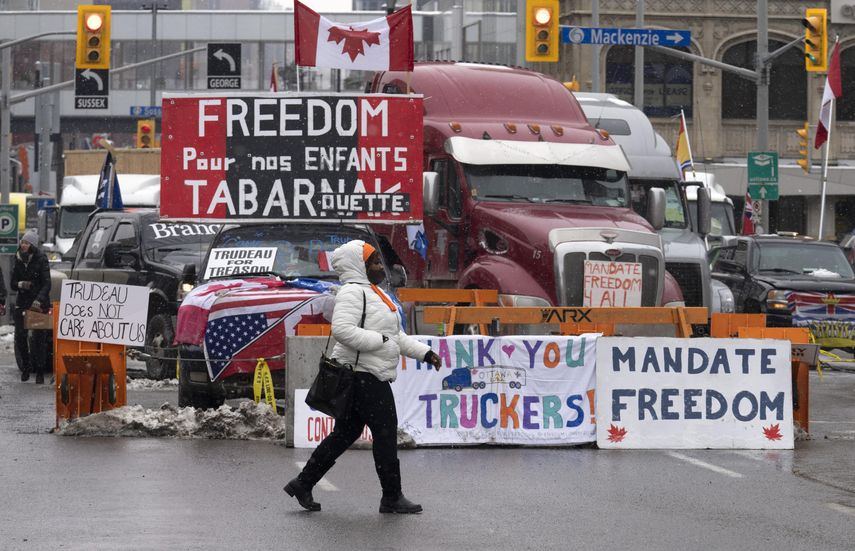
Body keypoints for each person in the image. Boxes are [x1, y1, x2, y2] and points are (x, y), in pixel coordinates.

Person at [285, 240, 442, 514]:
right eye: (375, 264)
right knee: (384, 433)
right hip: (362, 375)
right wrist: (379, 340)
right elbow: (343, 330)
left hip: (368, 373)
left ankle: (303, 482)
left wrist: (425, 353)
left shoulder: (374, 293)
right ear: (361, 266)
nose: (381, 268)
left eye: (380, 263)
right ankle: (391, 496)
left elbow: (396, 337)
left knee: (345, 434)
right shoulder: (353, 293)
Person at [12, 230, 51, 383]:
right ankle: (26, 367)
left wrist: (39, 300)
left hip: (38, 304)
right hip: (22, 302)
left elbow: (46, 283)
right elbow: (13, 284)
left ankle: (40, 371)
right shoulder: (18, 259)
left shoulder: (41, 259)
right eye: (22, 242)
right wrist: (21, 284)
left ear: (33, 245)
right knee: (20, 336)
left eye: (27, 243)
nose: (23, 245)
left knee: (39, 338)